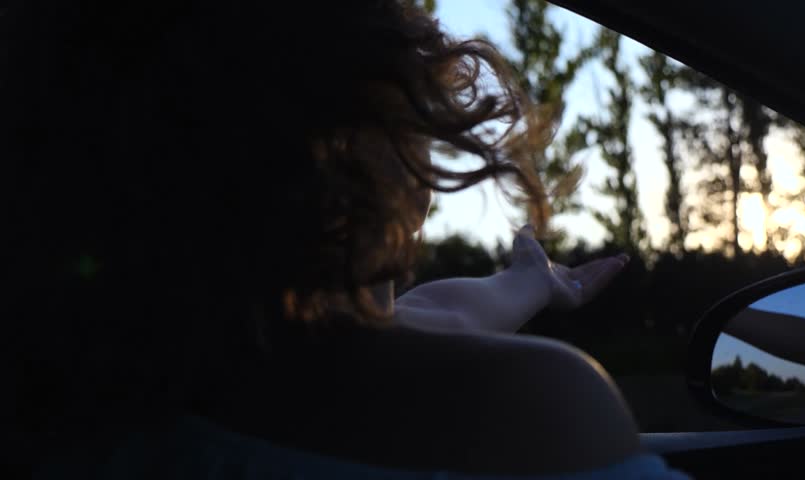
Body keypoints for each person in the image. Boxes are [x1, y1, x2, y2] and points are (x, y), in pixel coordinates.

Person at [2, 0, 690, 478]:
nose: (421, 187)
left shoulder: (75, 405)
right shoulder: (540, 408)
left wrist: (528, 282)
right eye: (409, 133)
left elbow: (430, 316)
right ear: (343, 148)